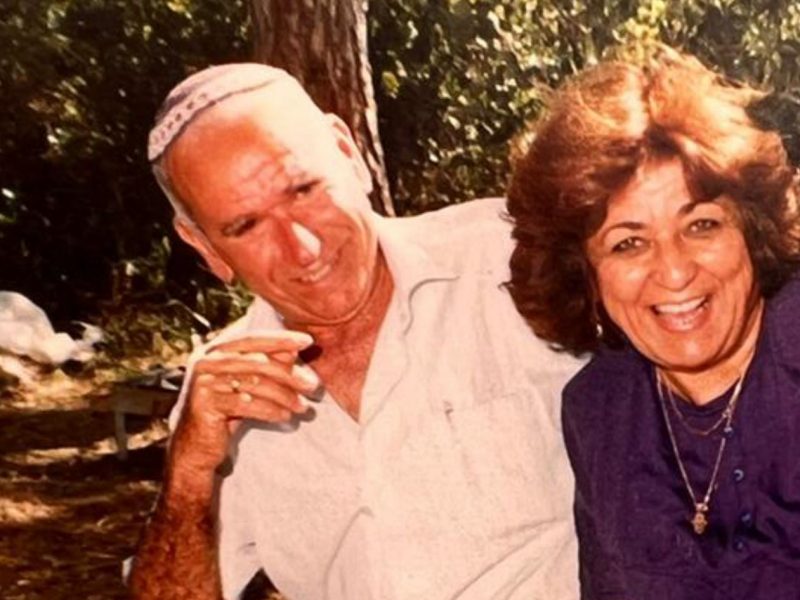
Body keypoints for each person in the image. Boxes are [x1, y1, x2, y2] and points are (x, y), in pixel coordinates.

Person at [129, 63, 584, 600]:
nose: (303, 248)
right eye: (246, 226)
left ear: (348, 154)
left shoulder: (512, 257)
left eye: (304, 189)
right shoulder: (222, 396)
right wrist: (187, 478)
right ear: (204, 246)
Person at [506, 46, 800, 599]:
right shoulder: (600, 412)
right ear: (584, 273)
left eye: (702, 225)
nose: (675, 271)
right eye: (628, 243)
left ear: (752, 231)